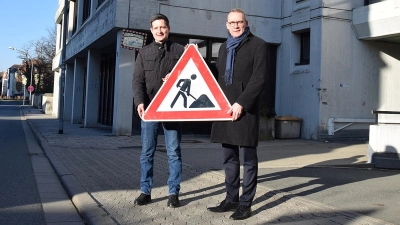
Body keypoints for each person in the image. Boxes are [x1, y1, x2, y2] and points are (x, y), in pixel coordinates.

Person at [207, 8, 269, 220]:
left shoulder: (259, 45)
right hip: (225, 108)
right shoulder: (224, 47)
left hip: (245, 109)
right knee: (229, 158)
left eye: (239, 22)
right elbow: (217, 77)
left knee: (249, 160)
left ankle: (245, 203)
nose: (235, 25)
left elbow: (259, 79)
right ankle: (231, 198)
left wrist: (241, 103)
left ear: (246, 23)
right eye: (232, 22)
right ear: (227, 25)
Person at [132, 13, 185, 208]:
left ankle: (173, 193)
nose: (159, 30)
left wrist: (177, 75)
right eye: (156, 28)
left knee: (174, 152)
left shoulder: (180, 50)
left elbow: (192, 73)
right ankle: (145, 191)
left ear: (168, 29)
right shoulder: (143, 52)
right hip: (150, 109)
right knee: (147, 152)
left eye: (163, 27)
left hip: (171, 108)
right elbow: (137, 80)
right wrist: (139, 102)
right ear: (151, 31)